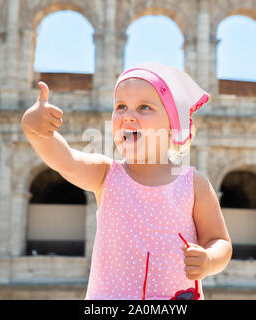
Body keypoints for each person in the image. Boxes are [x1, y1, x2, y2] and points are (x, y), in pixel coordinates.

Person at [21, 62, 232, 300]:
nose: (128, 116)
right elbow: (66, 159)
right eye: (121, 106)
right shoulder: (105, 174)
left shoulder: (194, 184)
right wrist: (36, 131)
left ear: (173, 126)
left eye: (144, 107)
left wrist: (210, 260)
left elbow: (219, 240)